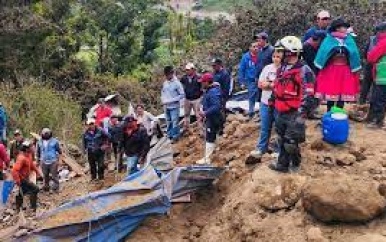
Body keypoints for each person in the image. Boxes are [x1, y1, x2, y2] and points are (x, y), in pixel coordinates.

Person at [268, 36, 315, 173]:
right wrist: (272, 101)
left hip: (295, 111)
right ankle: (289, 163)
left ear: (289, 52)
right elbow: (277, 86)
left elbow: (309, 93)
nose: (278, 54)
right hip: (281, 110)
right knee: (282, 139)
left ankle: (289, 165)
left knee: (290, 141)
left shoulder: (304, 70)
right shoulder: (282, 68)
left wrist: (303, 112)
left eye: (281, 51)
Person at [314, 18, 361, 111]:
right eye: (344, 27)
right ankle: (329, 112)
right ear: (337, 28)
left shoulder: (349, 39)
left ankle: (339, 112)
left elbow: (354, 52)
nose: (345, 29)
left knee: (342, 92)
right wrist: (332, 52)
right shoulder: (329, 38)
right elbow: (323, 52)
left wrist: (347, 51)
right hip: (332, 69)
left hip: (345, 70)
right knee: (331, 90)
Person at [249, 50, 284, 161]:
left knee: (279, 128)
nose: (275, 59)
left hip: (278, 102)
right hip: (265, 102)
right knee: (265, 127)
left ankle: (279, 150)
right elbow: (260, 84)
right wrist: (272, 85)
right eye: (274, 56)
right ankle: (261, 148)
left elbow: (281, 86)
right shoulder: (267, 68)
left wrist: (269, 84)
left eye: (278, 56)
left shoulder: (284, 69)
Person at [196, 73, 224, 165]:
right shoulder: (210, 90)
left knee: (209, 137)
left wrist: (205, 112)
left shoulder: (213, 92)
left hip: (213, 118)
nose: (201, 84)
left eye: (203, 82)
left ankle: (207, 159)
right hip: (213, 117)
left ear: (207, 82)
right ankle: (216, 153)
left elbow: (216, 106)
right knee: (214, 135)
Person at [366, 22, 386, 129]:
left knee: (379, 99)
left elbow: (371, 57)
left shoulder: (383, 42)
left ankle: (378, 122)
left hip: (383, 75)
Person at [12, 140, 41, 212]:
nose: (32, 147)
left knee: (23, 191)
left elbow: (31, 164)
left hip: (25, 177)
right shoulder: (21, 158)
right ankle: (33, 208)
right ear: (26, 148)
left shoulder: (29, 155)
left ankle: (18, 207)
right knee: (35, 189)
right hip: (21, 178)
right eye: (30, 147)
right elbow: (14, 170)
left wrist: (37, 172)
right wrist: (17, 180)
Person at [161, 66, 185, 142]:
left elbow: (182, 95)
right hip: (166, 106)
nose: (167, 76)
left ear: (172, 73)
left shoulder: (177, 83)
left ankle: (175, 137)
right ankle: (170, 135)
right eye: (166, 75)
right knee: (168, 121)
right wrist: (163, 99)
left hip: (174, 106)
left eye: (168, 75)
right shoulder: (165, 83)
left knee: (175, 121)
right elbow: (163, 92)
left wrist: (171, 100)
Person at [238, 42, 261, 118]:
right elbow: (242, 70)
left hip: (260, 80)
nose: (256, 48)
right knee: (251, 96)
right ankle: (251, 112)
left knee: (261, 96)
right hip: (250, 80)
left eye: (257, 47)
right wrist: (242, 82)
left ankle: (261, 113)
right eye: (254, 46)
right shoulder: (246, 57)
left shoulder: (261, 55)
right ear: (250, 48)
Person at [180, 62, 202, 132]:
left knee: (198, 115)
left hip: (196, 99)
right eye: (186, 70)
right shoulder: (184, 78)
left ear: (193, 70)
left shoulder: (198, 77)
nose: (187, 71)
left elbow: (202, 87)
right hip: (187, 99)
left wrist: (201, 95)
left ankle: (200, 130)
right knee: (186, 115)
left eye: (188, 70)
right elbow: (182, 86)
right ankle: (186, 129)